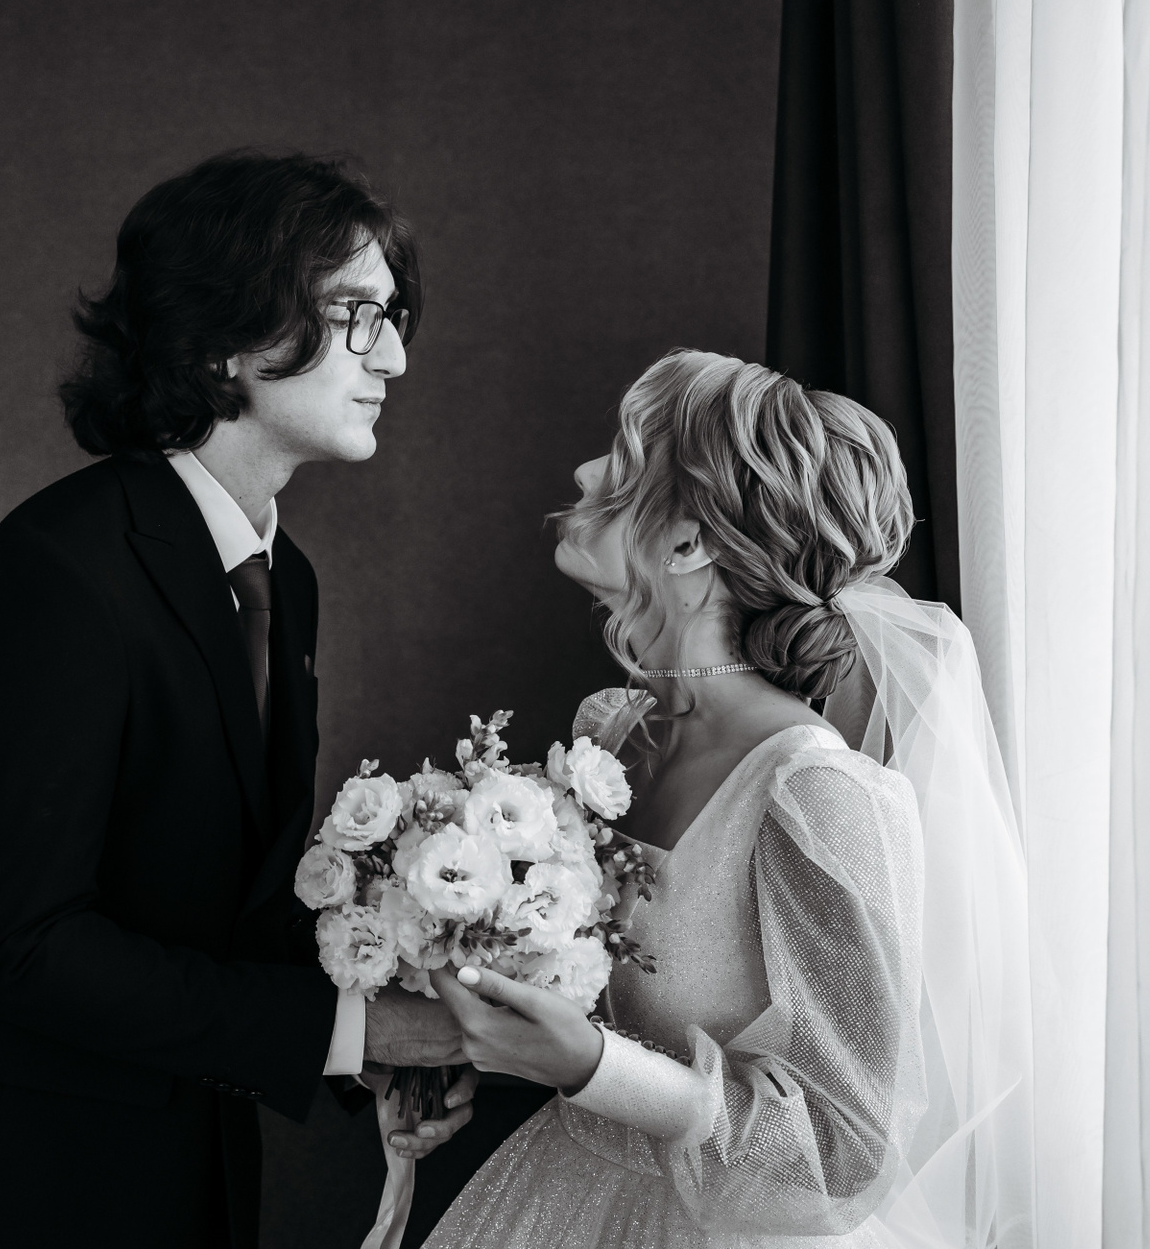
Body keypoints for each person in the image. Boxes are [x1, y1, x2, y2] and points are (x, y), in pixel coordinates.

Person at [0, 151, 468, 1249]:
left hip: (183, 1144)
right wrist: (353, 1028)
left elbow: (223, 900)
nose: (397, 357)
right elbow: (23, 945)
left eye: (395, 317)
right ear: (222, 338)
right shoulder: (55, 578)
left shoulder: (285, 577)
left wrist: (369, 1058)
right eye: (357, 316)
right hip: (23, 1176)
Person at [422, 350, 1035, 1248]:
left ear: (687, 545)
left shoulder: (815, 794)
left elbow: (845, 1153)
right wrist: (457, 1048)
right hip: (566, 1191)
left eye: (619, 461)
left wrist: (596, 1069)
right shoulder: (612, 733)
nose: (584, 473)